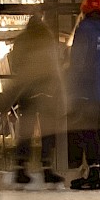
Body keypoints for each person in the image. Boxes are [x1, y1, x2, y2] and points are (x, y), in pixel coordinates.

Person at [66, 0, 100, 191]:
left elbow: (77, 60)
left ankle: (94, 173)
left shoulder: (85, 28)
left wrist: (73, 83)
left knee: (88, 130)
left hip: (86, 86)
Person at [7, 11, 64, 186]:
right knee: (47, 131)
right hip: (46, 91)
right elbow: (55, 65)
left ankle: (20, 168)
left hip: (27, 91)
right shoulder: (48, 39)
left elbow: (14, 63)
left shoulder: (21, 40)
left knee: (26, 129)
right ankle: (47, 169)